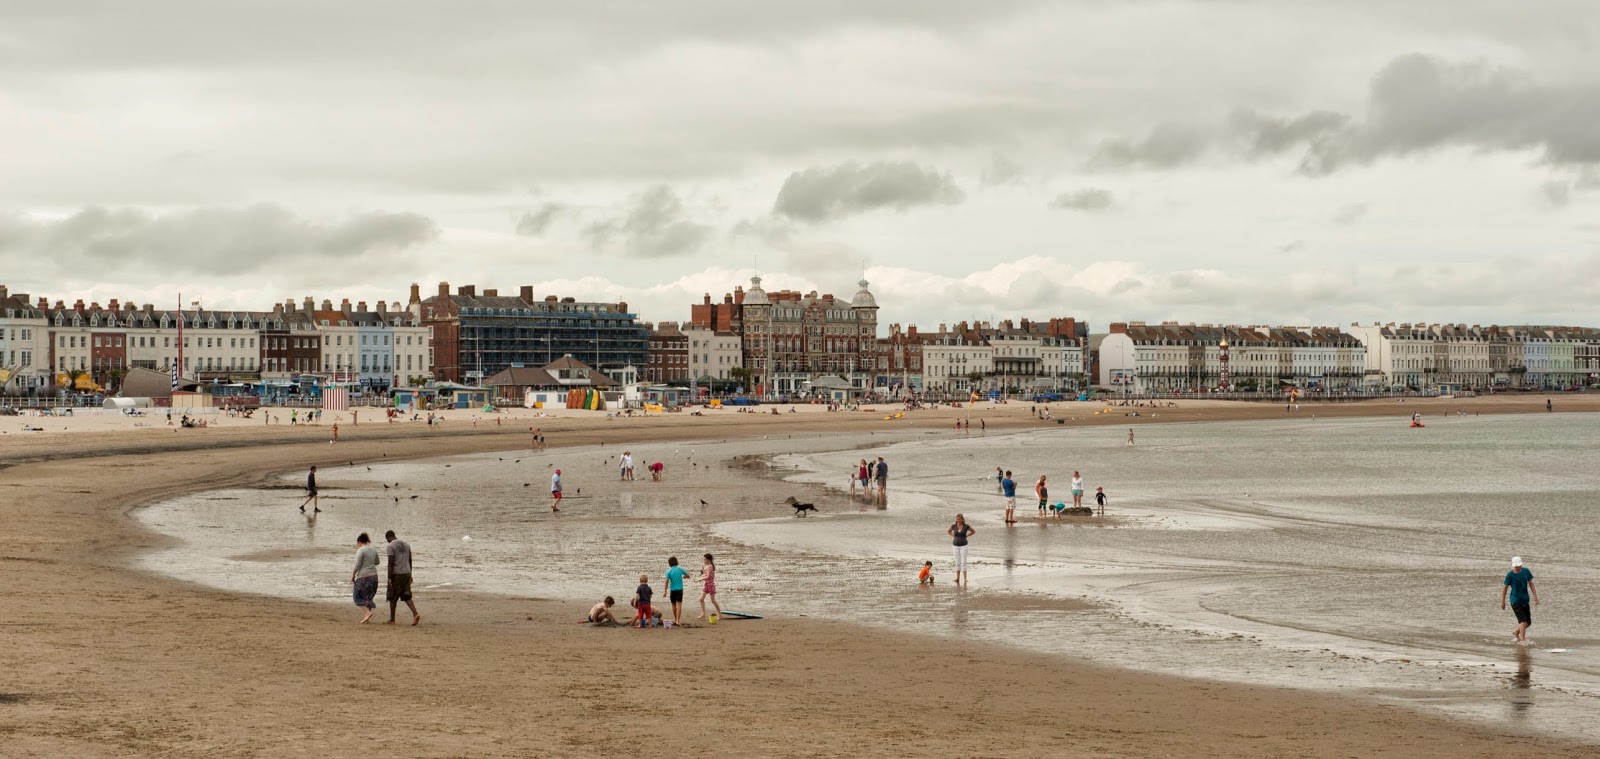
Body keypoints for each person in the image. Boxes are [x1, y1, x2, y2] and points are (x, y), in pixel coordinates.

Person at [385, 530, 420, 626]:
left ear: (388, 538)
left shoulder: (390, 546)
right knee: (406, 595)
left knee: (392, 596)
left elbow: (391, 563)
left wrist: (389, 577)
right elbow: (410, 560)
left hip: (397, 574)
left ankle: (392, 619)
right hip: (407, 572)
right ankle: (415, 613)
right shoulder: (406, 545)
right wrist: (410, 574)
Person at [1502, 556, 1539, 644]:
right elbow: (1505, 588)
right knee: (1523, 621)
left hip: (1525, 600)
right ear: (1513, 566)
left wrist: (1535, 597)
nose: (1518, 567)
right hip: (1515, 601)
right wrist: (1503, 601)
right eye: (1516, 566)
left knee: (1528, 623)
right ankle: (1522, 641)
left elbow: (1531, 584)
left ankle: (1516, 632)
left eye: (1519, 566)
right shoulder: (1510, 575)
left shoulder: (1526, 571)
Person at [351, 533, 380, 624]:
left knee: (357, 596)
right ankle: (367, 618)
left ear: (359, 542)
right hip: (374, 576)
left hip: (363, 576)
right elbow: (377, 562)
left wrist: (353, 575)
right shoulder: (373, 550)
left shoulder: (361, 550)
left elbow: (357, 565)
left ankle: (367, 612)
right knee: (368, 596)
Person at [947, 514, 974, 586]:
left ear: (962, 519)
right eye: (957, 519)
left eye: (959, 519)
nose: (958, 520)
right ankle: (957, 578)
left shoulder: (966, 526)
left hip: (964, 546)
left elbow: (973, 531)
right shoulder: (954, 526)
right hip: (955, 546)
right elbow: (948, 531)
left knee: (964, 562)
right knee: (957, 562)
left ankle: (965, 578)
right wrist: (953, 536)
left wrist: (967, 536)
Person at [664, 556, 689, 626]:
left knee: (673, 605)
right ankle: (678, 620)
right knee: (679, 605)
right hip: (679, 589)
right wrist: (685, 577)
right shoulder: (680, 569)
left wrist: (665, 591)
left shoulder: (669, 571)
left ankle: (675, 619)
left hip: (673, 590)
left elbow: (667, 581)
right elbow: (688, 575)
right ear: (677, 562)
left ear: (669, 564)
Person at [696, 553, 721, 620]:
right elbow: (706, 574)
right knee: (701, 599)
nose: (704, 561)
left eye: (705, 559)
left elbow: (708, 576)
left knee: (713, 601)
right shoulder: (707, 566)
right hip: (706, 585)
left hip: (710, 585)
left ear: (708, 560)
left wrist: (699, 579)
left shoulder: (710, 566)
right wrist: (703, 570)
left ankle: (720, 614)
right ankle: (703, 614)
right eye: (704, 559)